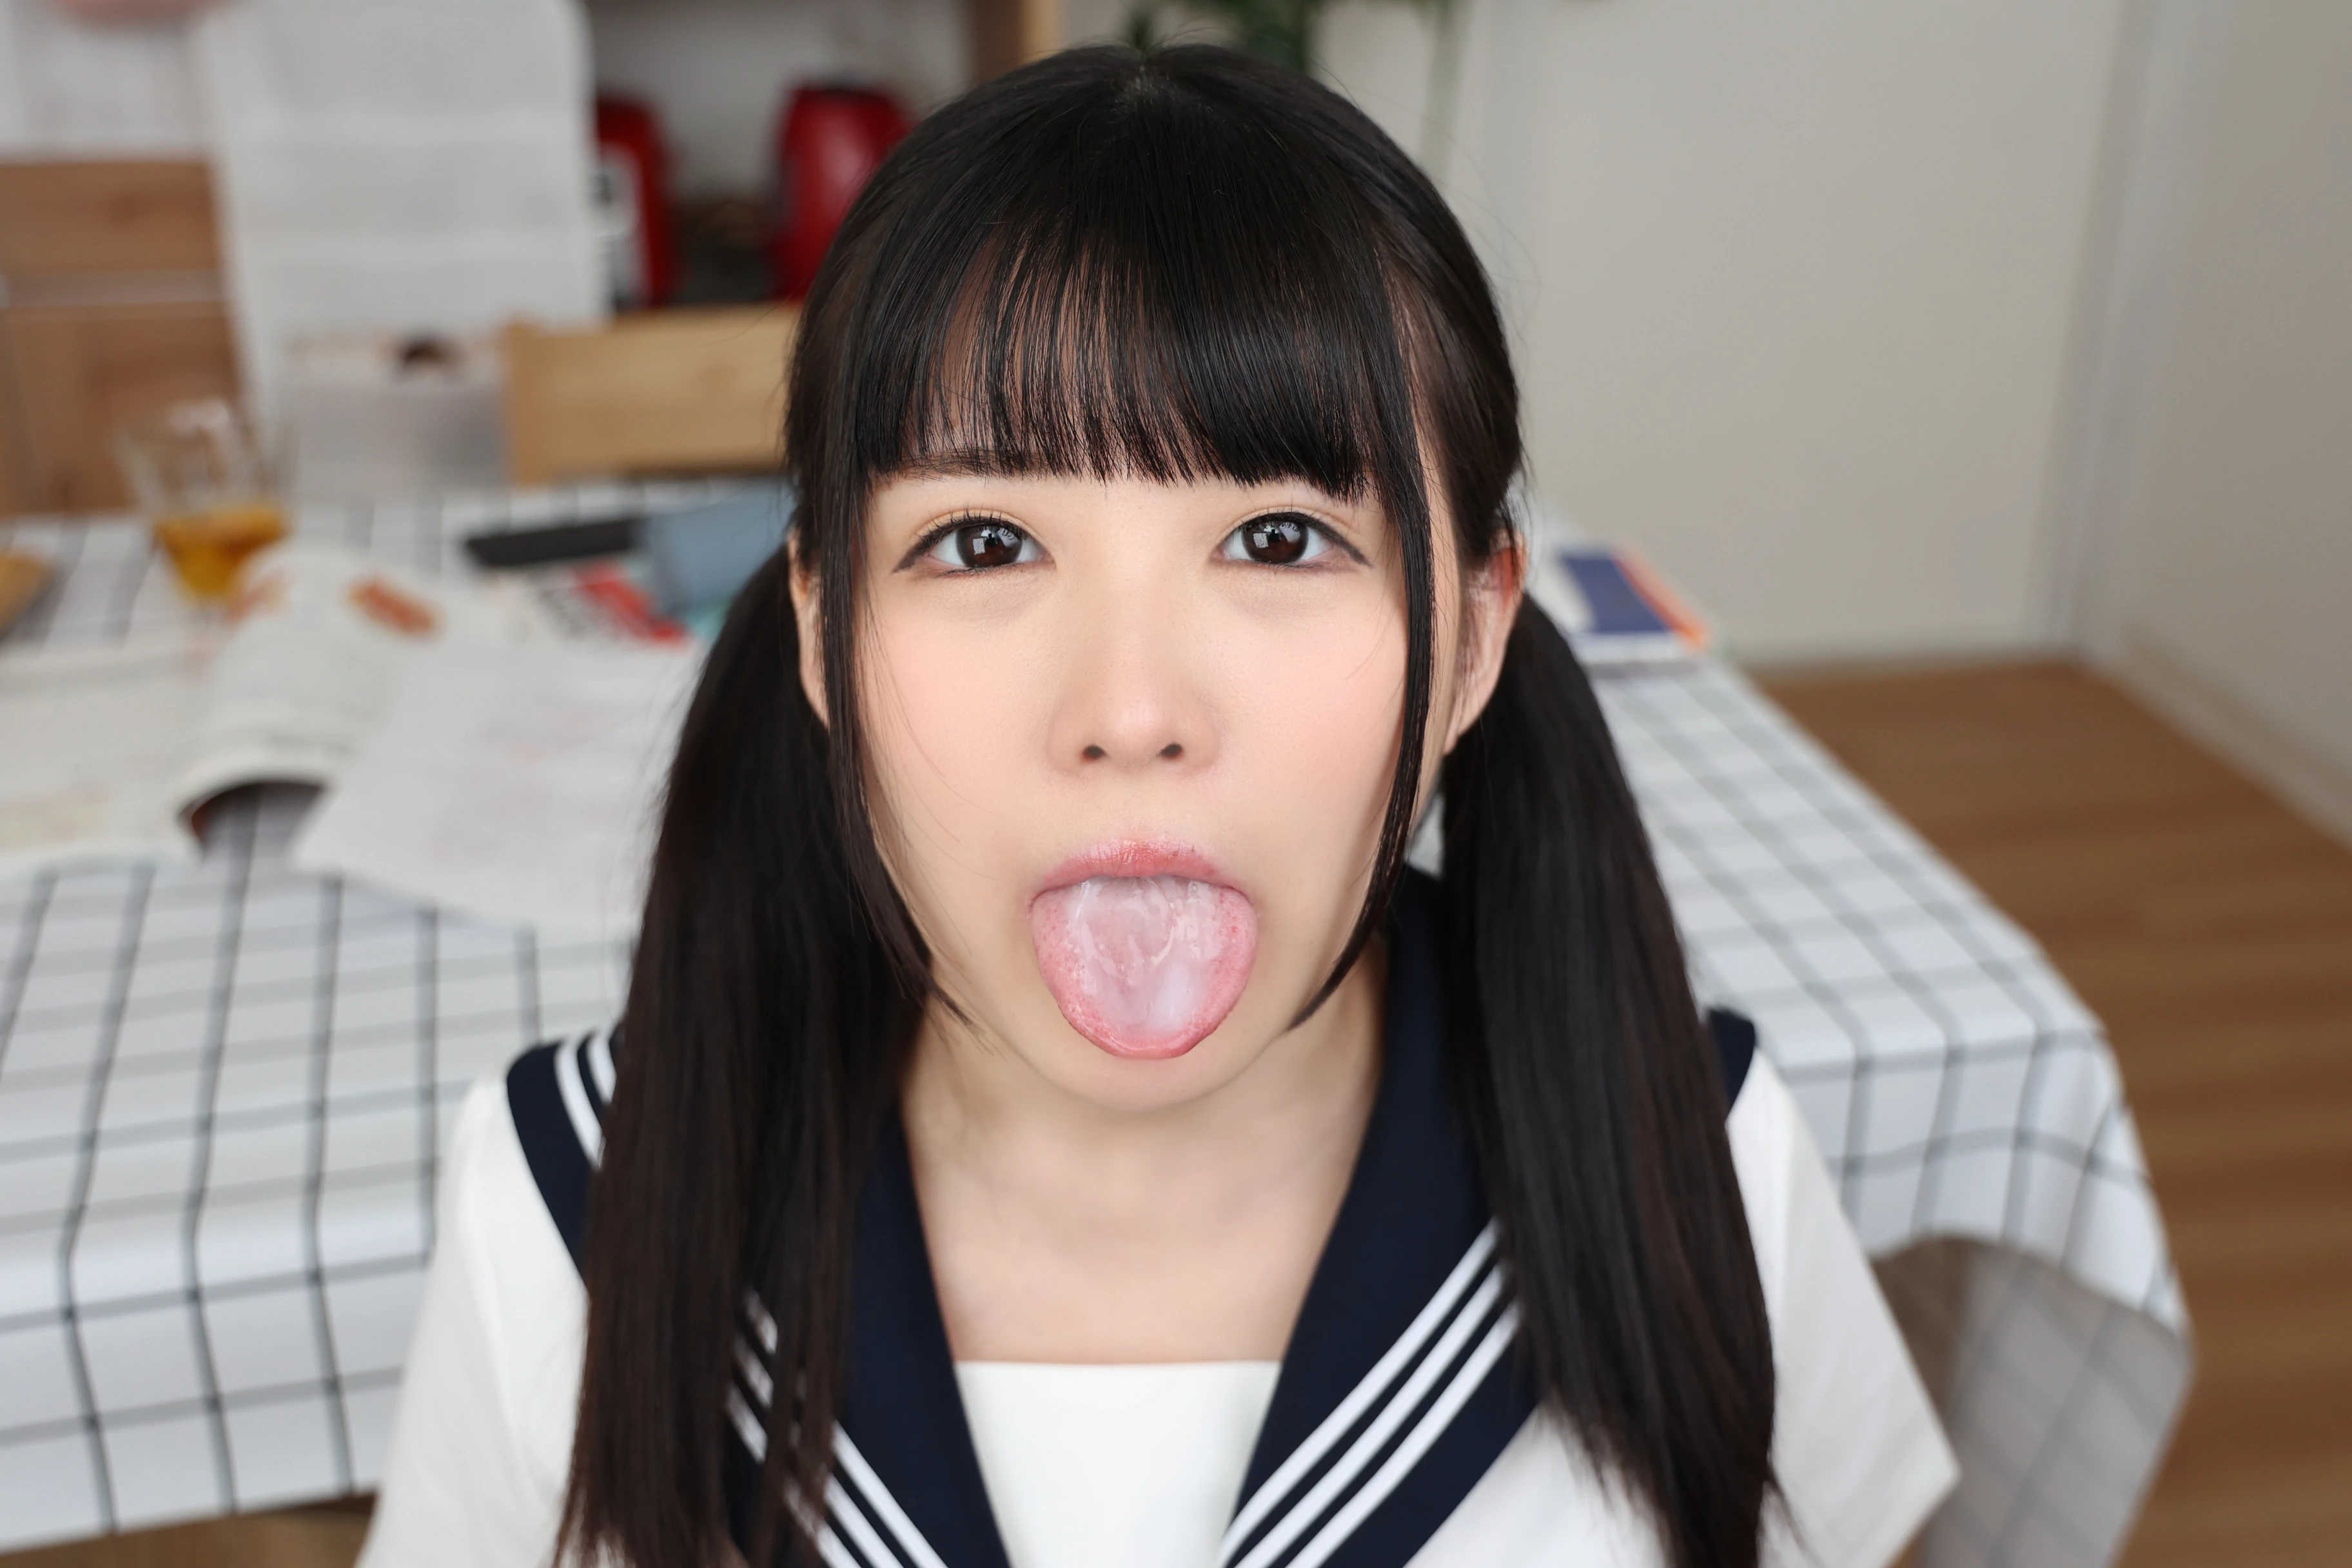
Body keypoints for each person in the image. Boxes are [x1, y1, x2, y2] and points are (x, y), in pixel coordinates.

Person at [360, 44, 1954, 1568]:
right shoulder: (573, 1202)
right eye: (983, 542)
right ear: (823, 627)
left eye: (1279, 540)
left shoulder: (1694, 1152)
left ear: (1471, 640)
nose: (1131, 712)